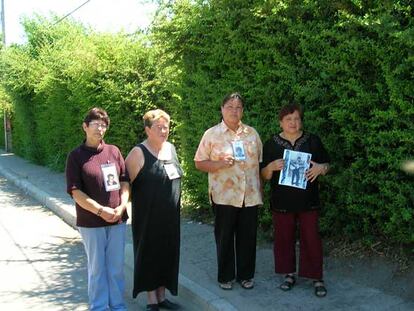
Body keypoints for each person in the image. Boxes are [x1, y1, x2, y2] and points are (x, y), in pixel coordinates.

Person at [194, 92, 263, 290]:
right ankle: (225, 276)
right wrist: (219, 163)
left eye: (238, 107)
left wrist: (260, 191)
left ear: (243, 110)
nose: (234, 110)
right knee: (224, 238)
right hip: (224, 196)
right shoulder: (211, 134)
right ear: (222, 109)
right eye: (230, 107)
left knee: (248, 238)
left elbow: (259, 164)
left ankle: (246, 275)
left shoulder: (252, 133)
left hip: (249, 196)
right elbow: (199, 163)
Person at [261, 103, 330, 298]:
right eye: (289, 119)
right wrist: (271, 167)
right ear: (281, 122)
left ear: (301, 121)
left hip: (308, 200)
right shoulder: (271, 144)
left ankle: (316, 277)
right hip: (282, 201)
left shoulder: (312, 140)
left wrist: (321, 168)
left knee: (312, 238)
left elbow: (327, 164)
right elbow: (264, 175)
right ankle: (289, 274)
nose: (293, 122)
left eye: (297, 118)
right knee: (284, 238)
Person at [65, 107, 130, 311]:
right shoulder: (76, 157)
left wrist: (122, 206)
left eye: (104, 125)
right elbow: (76, 192)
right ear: (85, 127)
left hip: (117, 220)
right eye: (96, 125)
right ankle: (99, 307)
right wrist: (101, 211)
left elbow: (124, 181)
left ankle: (118, 306)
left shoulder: (114, 151)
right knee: (97, 269)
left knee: (116, 268)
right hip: (92, 223)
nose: (100, 129)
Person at [125, 109, 182, 311]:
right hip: (148, 216)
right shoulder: (138, 152)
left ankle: (162, 296)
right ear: (148, 130)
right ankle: (151, 301)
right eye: (159, 127)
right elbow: (126, 185)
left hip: (171, 216)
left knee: (167, 253)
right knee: (149, 254)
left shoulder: (171, 148)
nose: (164, 130)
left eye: (166, 126)